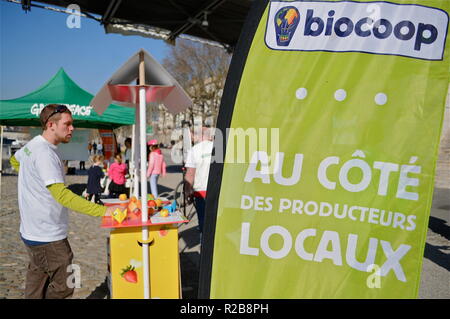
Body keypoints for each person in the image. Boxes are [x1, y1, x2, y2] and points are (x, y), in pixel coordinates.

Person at [9, 104, 118, 299]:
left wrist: (32, 180)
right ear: (51, 125)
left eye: (72, 124)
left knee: (36, 284)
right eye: (67, 124)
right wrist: (103, 211)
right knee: (65, 286)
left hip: (31, 231)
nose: (72, 128)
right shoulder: (45, 153)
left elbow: (15, 161)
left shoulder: (34, 144)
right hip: (48, 236)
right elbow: (63, 196)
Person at [184, 127, 214, 234]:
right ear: (209, 136)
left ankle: (204, 247)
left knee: (203, 222)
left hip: (201, 193)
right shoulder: (219, 148)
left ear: (198, 136)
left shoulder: (194, 150)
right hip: (218, 193)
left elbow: (190, 174)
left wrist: (187, 192)